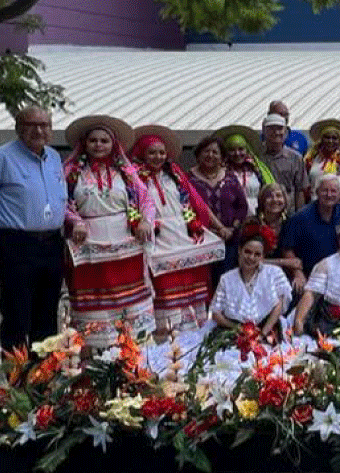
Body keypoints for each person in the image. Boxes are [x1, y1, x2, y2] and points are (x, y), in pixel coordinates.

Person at [131, 127, 229, 335]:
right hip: (158, 237)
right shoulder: (134, 178)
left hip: (183, 232)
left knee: (191, 281)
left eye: (161, 152)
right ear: (141, 153)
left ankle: (194, 336)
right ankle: (167, 338)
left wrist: (218, 226)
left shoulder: (175, 174)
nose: (158, 157)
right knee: (165, 285)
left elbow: (197, 202)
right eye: (152, 152)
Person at [63, 116, 155, 332]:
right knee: (95, 298)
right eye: (93, 140)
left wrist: (145, 221)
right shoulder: (70, 172)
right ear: (84, 144)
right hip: (88, 243)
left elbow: (147, 199)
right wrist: (75, 221)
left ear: (113, 144)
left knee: (127, 300)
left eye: (104, 141)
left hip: (125, 243)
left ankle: (129, 350)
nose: (98, 145)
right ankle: (94, 352)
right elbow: (61, 201)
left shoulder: (126, 172)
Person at [0, 107, 69, 349]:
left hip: (51, 244)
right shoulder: (4, 157)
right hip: (16, 245)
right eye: (31, 124)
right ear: (18, 128)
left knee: (48, 317)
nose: (38, 130)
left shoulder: (54, 156)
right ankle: (16, 383)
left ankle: (43, 381)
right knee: (17, 317)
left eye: (44, 125)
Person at [210, 224, 291, 344]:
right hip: (234, 332)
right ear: (239, 251)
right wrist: (239, 329)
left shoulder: (274, 273)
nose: (251, 258)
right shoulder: (226, 279)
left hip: (268, 329)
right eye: (247, 252)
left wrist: (262, 334)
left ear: (263, 256)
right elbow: (216, 313)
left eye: (257, 254)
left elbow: (278, 305)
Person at [280, 174, 340, 290]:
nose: (329, 195)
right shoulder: (300, 217)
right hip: (310, 276)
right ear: (316, 192)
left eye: (333, 191)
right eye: (325, 191)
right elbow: (287, 249)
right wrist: (297, 273)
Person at [187, 135, 247, 245]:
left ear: (222, 157)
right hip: (199, 239)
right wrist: (199, 228)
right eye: (206, 151)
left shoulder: (230, 178)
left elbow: (242, 206)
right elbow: (185, 208)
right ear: (198, 155)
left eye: (215, 152)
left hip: (230, 238)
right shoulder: (188, 179)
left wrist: (232, 228)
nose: (210, 155)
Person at [251, 183, 304, 291]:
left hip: (284, 276)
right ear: (262, 201)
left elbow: (295, 259)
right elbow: (251, 260)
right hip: (255, 275)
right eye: (269, 196)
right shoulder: (253, 224)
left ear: (285, 200)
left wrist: (298, 274)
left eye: (279, 196)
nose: (275, 200)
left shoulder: (291, 223)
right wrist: (285, 262)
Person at [215, 124, 275, 207]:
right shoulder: (219, 172)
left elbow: (270, 191)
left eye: (241, 149)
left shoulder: (258, 170)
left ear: (247, 150)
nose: (237, 153)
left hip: (256, 217)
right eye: (232, 150)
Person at [261, 114, 308, 213]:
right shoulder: (257, 156)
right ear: (264, 131)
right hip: (263, 212)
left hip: (288, 213)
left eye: (280, 129)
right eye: (271, 129)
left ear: (286, 132)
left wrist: (298, 215)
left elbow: (300, 190)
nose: (276, 132)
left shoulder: (295, 158)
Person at [304, 119, 340, 190]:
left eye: (334, 138)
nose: (330, 141)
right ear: (321, 139)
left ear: (339, 141)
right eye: (327, 137)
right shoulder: (311, 159)